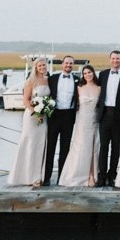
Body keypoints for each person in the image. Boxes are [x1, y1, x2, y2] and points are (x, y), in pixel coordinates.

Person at [6, 58, 51, 187]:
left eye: (44, 65)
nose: (42, 67)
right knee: (30, 144)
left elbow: (48, 98)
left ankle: (37, 176)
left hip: (43, 117)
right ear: (35, 67)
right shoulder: (30, 81)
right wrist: (35, 113)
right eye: (40, 65)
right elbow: (26, 100)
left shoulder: (48, 80)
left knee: (41, 145)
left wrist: (45, 110)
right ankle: (26, 176)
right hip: (32, 117)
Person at [57, 65, 102, 187]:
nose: (88, 75)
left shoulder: (99, 88)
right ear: (83, 75)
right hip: (82, 121)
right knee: (81, 147)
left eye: (89, 72)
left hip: (94, 121)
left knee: (93, 147)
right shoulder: (79, 88)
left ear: (93, 72)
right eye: (85, 73)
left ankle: (92, 175)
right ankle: (76, 174)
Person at [96, 49, 120, 186]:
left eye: (118, 58)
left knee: (116, 147)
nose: (115, 61)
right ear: (109, 59)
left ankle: (113, 175)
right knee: (103, 147)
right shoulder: (103, 74)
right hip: (105, 114)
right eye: (113, 58)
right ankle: (102, 176)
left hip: (119, 116)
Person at [43, 55, 81, 186]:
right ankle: (46, 177)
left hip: (69, 116)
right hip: (54, 115)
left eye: (71, 63)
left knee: (65, 148)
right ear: (62, 64)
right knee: (50, 148)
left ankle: (62, 178)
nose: (68, 65)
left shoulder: (78, 80)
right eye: (66, 63)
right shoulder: (52, 78)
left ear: (73, 65)